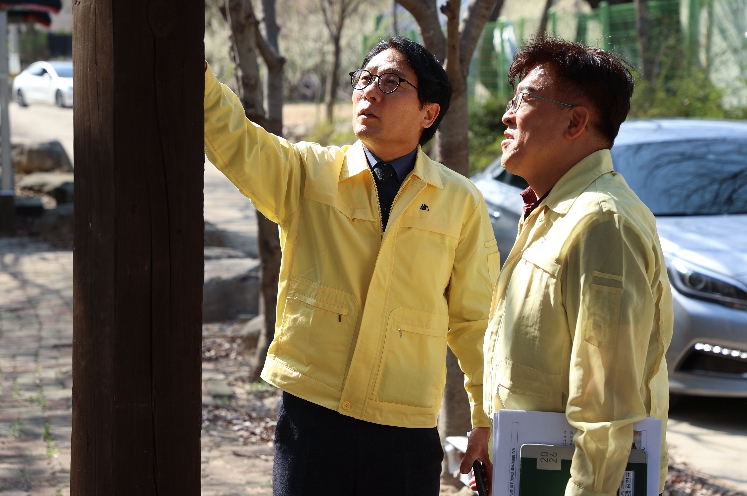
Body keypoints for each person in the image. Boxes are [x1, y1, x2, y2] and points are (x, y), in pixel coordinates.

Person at [204, 36, 499, 495]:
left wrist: (485, 418)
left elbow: (475, 320)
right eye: (365, 78)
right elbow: (237, 140)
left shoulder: (460, 201)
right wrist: (196, 73)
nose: (370, 91)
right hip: (313, 415)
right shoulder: (309, 172)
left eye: (392, 82)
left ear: (429, 113)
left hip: (405, 426)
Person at [482, 38, 673, 496]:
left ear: (575, 122)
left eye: (525, 99)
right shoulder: (553, 211)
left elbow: (606, 413)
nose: (508, 116)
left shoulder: (603, 222)